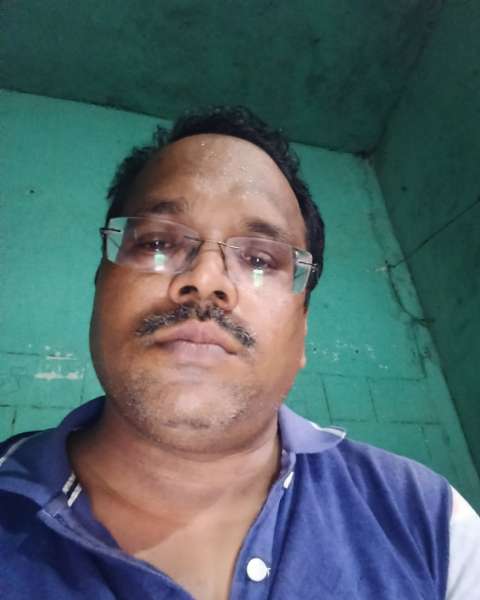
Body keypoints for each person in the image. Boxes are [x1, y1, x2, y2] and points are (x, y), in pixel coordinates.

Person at [0, 107, 479, 600]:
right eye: (158, 241)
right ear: (101, 283)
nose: (205, 280)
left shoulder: (431, 522)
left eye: (259, 259)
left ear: (303, 328)